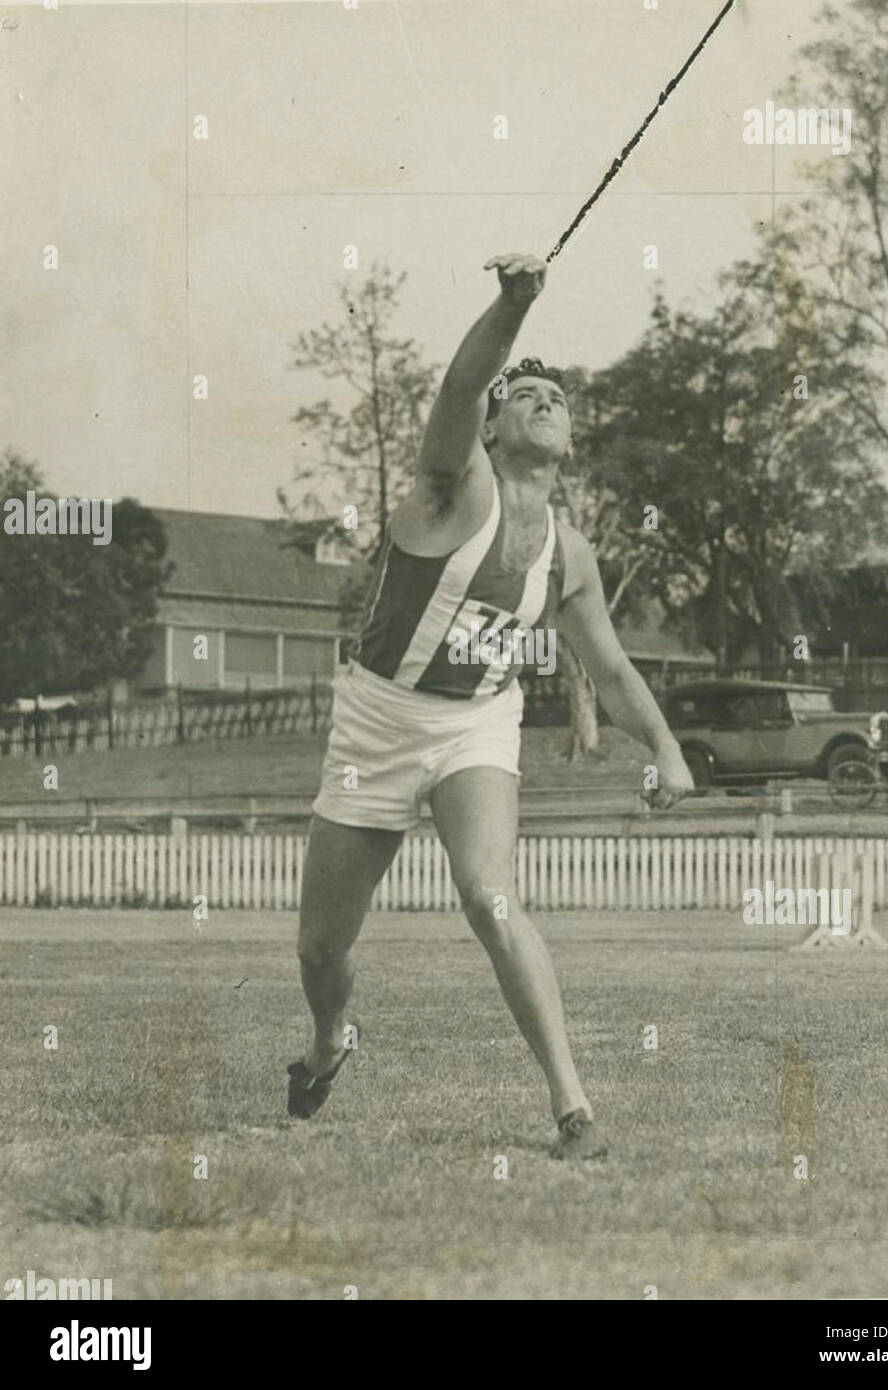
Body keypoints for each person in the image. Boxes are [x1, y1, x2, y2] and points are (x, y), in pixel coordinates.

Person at [288, 252, 694, 1158]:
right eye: (526, 395)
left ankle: (572, 1107)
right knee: (321, 949)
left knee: (491, 896)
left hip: (476, 721)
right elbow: (464, 378)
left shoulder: (572, 555)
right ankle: (326, 1042)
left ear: (571, 437)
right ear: (494, 430)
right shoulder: (451, 486)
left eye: (557, 395)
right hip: (378, 717)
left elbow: (616, 672)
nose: (544, 399)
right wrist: (512, 307)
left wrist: (664, 749)